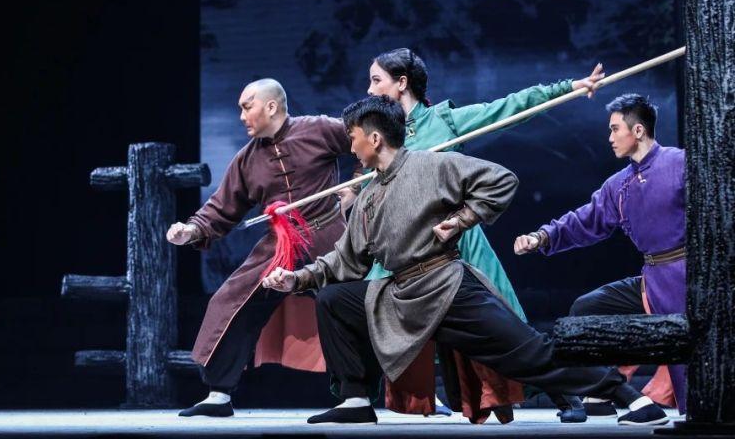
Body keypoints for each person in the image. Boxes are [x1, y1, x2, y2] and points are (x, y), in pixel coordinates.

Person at [262, 95, 668, 426]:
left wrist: (462, 219)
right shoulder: (368, 195)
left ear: (374, 138)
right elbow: (345, 261)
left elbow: (501, 180)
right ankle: (354, 399)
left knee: (529, 353)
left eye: (353, 138)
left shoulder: (432, 164)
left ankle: (626, 395)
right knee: (334, 299)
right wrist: (297, 279)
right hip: (401, 294)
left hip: (447, 288)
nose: (351, 148)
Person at [356, 48, 604, 421]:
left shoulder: (444, 121)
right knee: (384, 317)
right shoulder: (383, 137)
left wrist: (567, 87)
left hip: (457, 239)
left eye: (377, 80)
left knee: (508, 323)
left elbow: (509, 107)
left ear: (401, 83)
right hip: (409, 248)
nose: (370, 89)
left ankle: (567, 394)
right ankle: (364, 399)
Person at [167, 78, 352, 417]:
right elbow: (221, 208)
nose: (241, 116)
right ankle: (218, 394)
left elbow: (369, 143)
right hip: (281, 242)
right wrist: (190, 230)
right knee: (232, 299)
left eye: (246, 106)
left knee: (351, 302)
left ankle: (358, 396)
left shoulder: (320, 129)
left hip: (329, 236)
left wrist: (357, 189)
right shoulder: (247, 160)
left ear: (271, 106)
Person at [515, 93, 686, 414]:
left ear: (638, 131)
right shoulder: (618, 184)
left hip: (687, 278)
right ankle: (604, 392)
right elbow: (585, 220)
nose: (609, 138)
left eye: (615, 129)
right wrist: (542, 237)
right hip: (651, 279)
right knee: (588, 307)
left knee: (689, 360)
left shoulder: (680, 163)